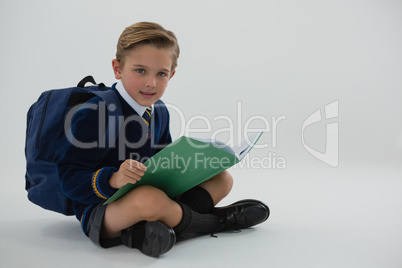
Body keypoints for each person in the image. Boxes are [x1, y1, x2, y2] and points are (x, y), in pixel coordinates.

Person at [57, 22, 269, 257]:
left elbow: (163, 159)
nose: (151, 83)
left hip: (154, 194)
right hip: (104, 210)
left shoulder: (160, 111)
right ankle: (214, 222)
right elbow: (69, 178)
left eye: (161, 74)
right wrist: (114, 178)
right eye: (140, 71)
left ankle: (144, 231)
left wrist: (193, 165)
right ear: (118, 69)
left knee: (223, 179)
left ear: (172, 75)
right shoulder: (95, 112)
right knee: (149, 200)